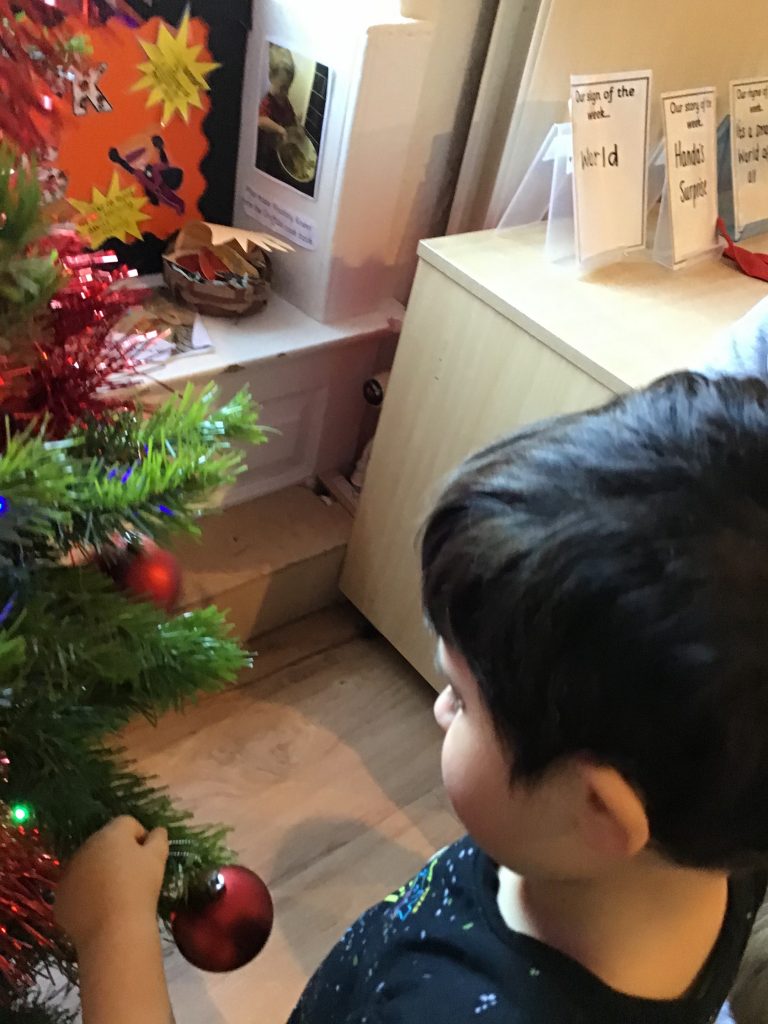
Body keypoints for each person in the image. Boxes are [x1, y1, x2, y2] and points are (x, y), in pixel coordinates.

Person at [57, 372, 768, 1024]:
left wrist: (113, 932)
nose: (440, 708)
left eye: (461, 696)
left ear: (597, 812)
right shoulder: (717, 831)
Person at [256, 44, 298, 179]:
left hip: (277, 151)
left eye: (288, 88)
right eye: (282, 88)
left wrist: (297, 128)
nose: (285, 93)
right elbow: (261, 120)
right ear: (270, 78)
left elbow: (291, 119)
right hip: (263, 150)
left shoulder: (285, 101)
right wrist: (280, 129)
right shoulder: (267, 100)